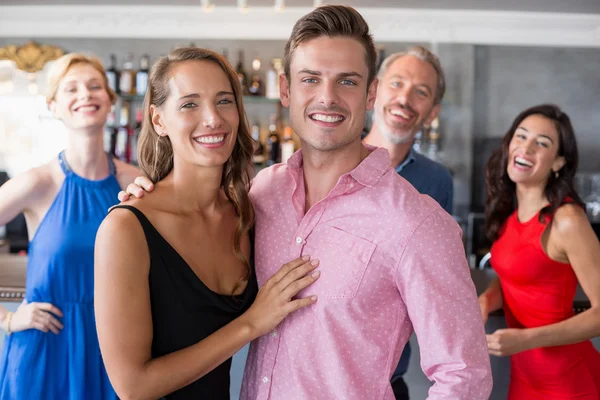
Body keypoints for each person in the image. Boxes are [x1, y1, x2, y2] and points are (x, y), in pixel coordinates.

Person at [121, 6, 492, 399]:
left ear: (370, 94)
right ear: (285, 90)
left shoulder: (416, 223)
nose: (327, 98)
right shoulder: (263, 192)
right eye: (310, 79)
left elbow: (463, 375)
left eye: (346, 82)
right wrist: (152, 195)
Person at [94, 47, 320, 399]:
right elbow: (133, 386)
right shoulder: (126, 229)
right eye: (189, 104)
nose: (213, 118)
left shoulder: (247, 213)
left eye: (224, 101)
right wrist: (250, 324)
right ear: (158, 120)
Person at [0, 53, 139, 399]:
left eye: (95, 87)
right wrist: (7, 319)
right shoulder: (37, 183)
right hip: (44, 352)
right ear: (54, 105)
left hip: (115, 353)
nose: (85, 95)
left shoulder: (137, 184)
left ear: (110, 101)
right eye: (71, 88)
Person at [479, 104, 600, 399]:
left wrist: (527, 340)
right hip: (524, 379)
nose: (526, 147)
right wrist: (487, 299)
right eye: (521, 136)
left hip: (569, 382)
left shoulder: (567, 220)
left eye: (542, 143)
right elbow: (515, 277)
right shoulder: (512, 214)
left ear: (558, 162)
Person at [362, 46, 453, 399]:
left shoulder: (437, 182)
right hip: (320, 378)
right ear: (374, 92)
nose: (405, 99)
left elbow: (435, 282)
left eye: (421, 92)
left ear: (432, 113)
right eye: (396, 84)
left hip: (389, 380)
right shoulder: (328, 162)